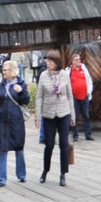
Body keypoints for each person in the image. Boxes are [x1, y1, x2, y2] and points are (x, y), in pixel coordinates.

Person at [36, 51, 73, 186]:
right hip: (48, 115)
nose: (48, 63)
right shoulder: (43, 76)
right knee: (49, 144)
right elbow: (39, 96)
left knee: (64, 144)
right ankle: (45, 170)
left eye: (50, 61)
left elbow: (70, 96)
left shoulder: (65, 75)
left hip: (64, 114)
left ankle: (63, 174)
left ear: (56, 62)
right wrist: (38, 117)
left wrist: (72, 116)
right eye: (46, 61)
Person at [0, 59, 30, 187]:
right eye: (2, 70)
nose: (3, 72)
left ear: (12, 71)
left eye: (5, 70)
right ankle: (1, 179)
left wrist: (21, 91)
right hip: (1, 122)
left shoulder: (21, 84)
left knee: (19, 147)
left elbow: (26, 100)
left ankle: (22, 175)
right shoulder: (2, 85)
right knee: (2, 149)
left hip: (16, 122)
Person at [69, 52, 95, 141]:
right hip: (74, 97)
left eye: (79, 59)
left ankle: (88, 135)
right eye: (76, 59)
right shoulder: (69, 71)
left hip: (85, 96)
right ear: (72, 61)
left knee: (86, 116)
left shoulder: (83, 69)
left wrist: (88, 92)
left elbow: (89, 80)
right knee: (74, 116)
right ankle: (75, 136)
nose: (78, 61)